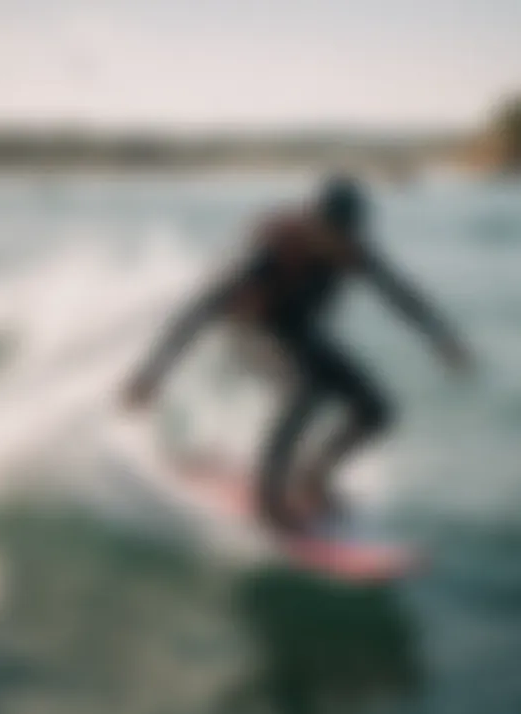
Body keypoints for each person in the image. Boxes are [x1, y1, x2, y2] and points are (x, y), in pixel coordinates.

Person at [122, 176, 472, 534]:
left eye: (346, 236)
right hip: (250, 335)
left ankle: (312, 477)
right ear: (315, 223)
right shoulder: (273, 251)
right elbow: (201, 308)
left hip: (300, 334)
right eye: (332, 235)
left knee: (376, 409)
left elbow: (401, 296)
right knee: (305, 391)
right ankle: (268, 495)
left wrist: (442, 338)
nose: (338, 245)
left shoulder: (353, 250)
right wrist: (151, 374)